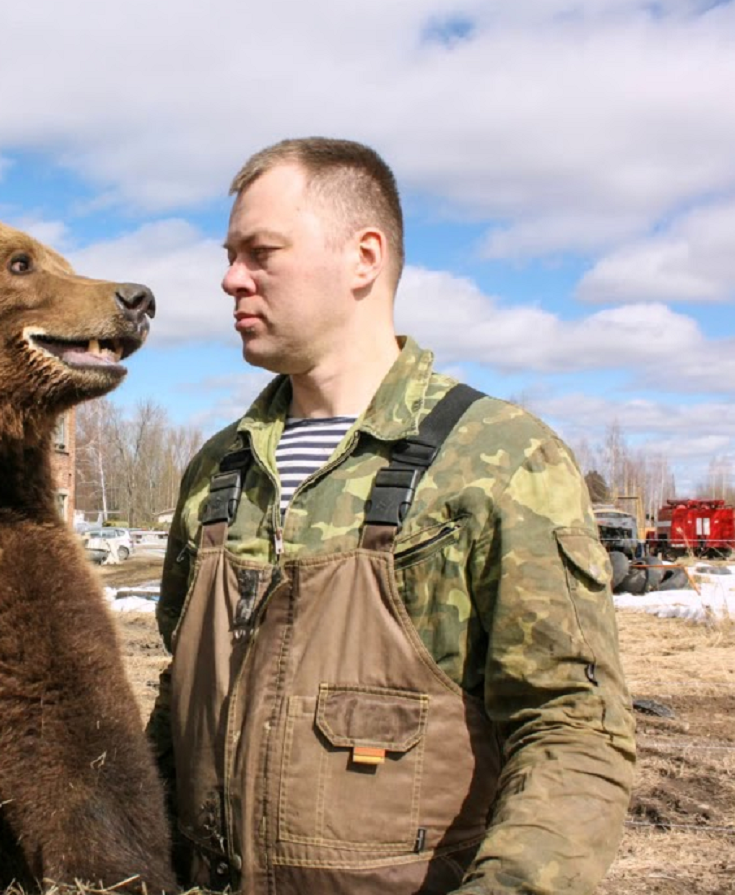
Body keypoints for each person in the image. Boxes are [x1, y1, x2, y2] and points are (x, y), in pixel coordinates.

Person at [146, 138, 636, 895]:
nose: (230, 278)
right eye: (229, 253)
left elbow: (573, 731)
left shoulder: (497, 461)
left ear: (364, 258)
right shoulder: (218, 470)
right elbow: (179, 704)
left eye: (261, 251)